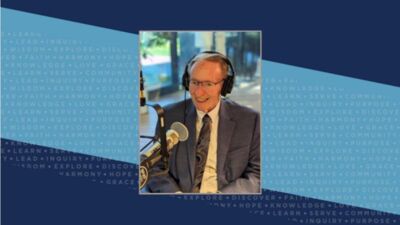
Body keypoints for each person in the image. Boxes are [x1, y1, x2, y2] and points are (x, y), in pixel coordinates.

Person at [146, 51, 260, 193]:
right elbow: (155, 168)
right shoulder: (169, 115)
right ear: (187, 82)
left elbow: (257, 173)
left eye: (208, 84)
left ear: (224, 86)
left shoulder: (250, 120)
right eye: (194, 82)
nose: (199, 93)